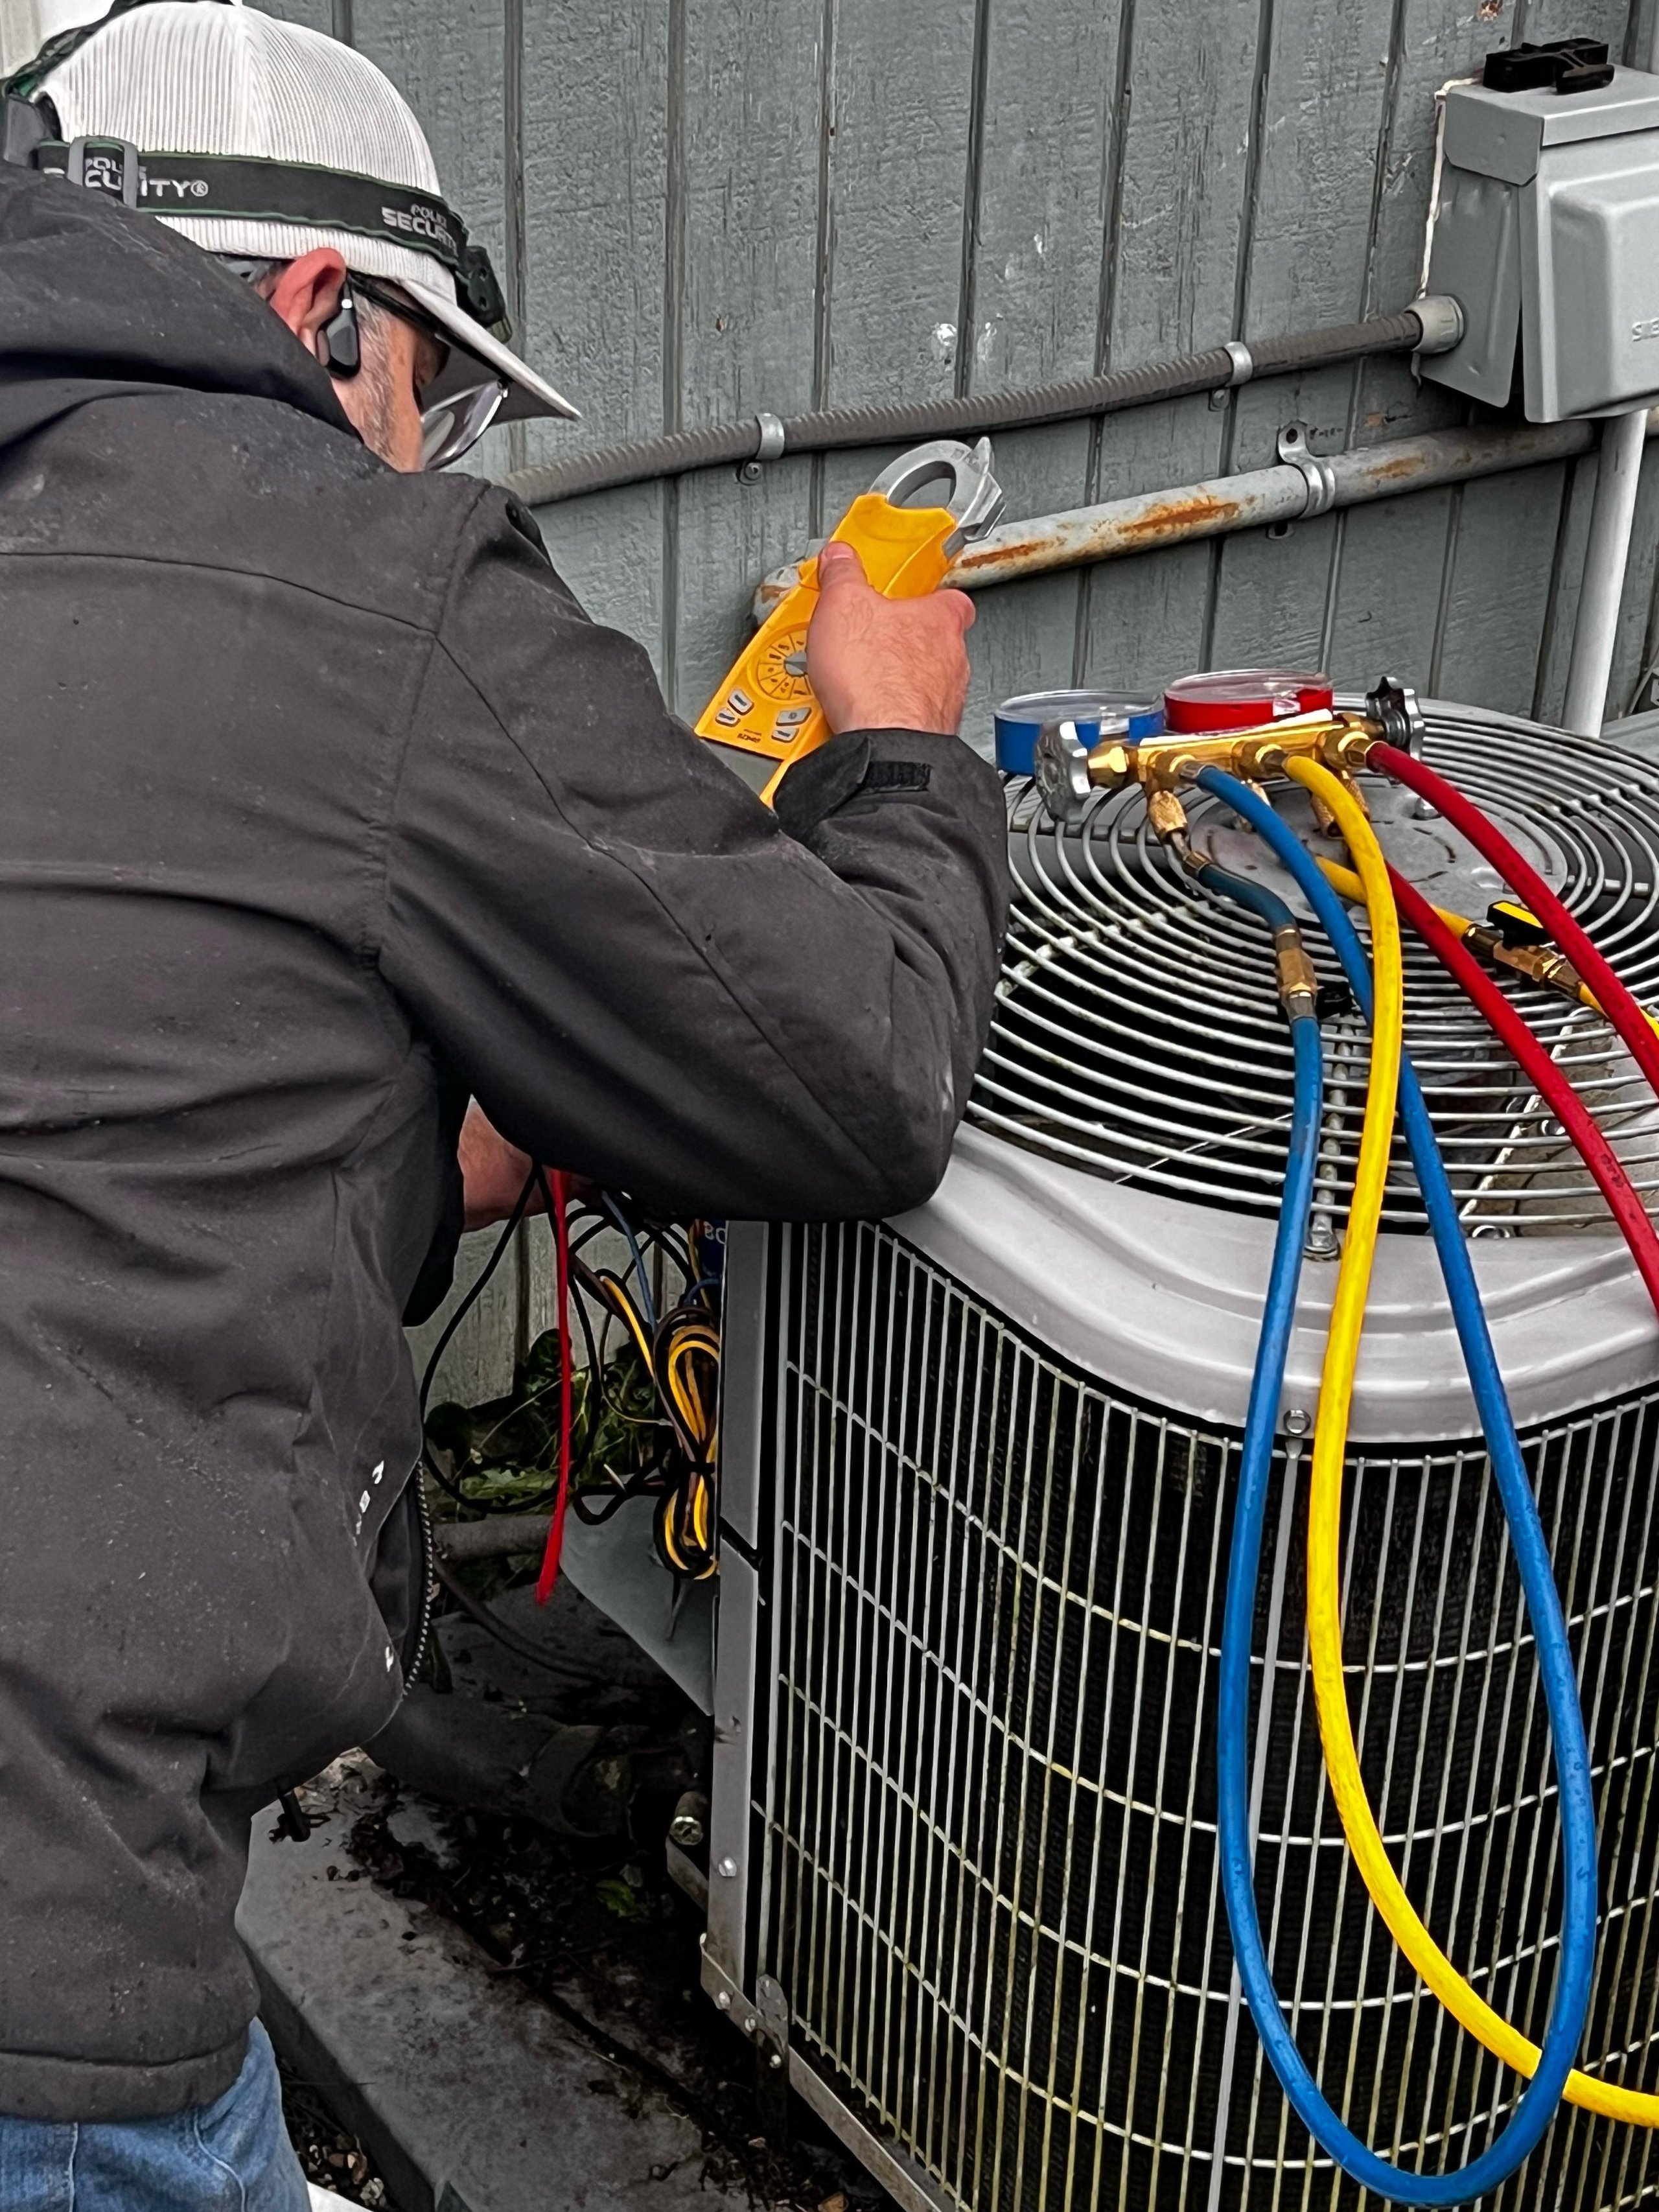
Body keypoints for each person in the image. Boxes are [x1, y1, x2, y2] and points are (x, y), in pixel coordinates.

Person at [0, 1, 1008, 2205]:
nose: (429, 455)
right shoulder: (376, 585)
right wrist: (906, 751)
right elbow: (867, 1075)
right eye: (431, 396)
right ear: (310, 304)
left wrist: (451, 1133)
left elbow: (115, 1105)